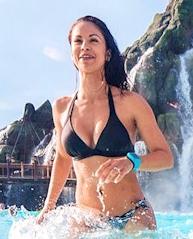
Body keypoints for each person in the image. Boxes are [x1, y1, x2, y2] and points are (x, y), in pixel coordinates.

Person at [37, 15, 174, 231]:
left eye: (93, 40)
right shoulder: (62, 108)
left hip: (133, 218)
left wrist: (132, 162)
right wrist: (48, 206)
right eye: (78, 41)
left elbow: (165, 157)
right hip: (87, 221)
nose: (85, 47)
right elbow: (63, 158)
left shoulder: (130, 103)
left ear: (107, 53)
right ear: (72, 52)